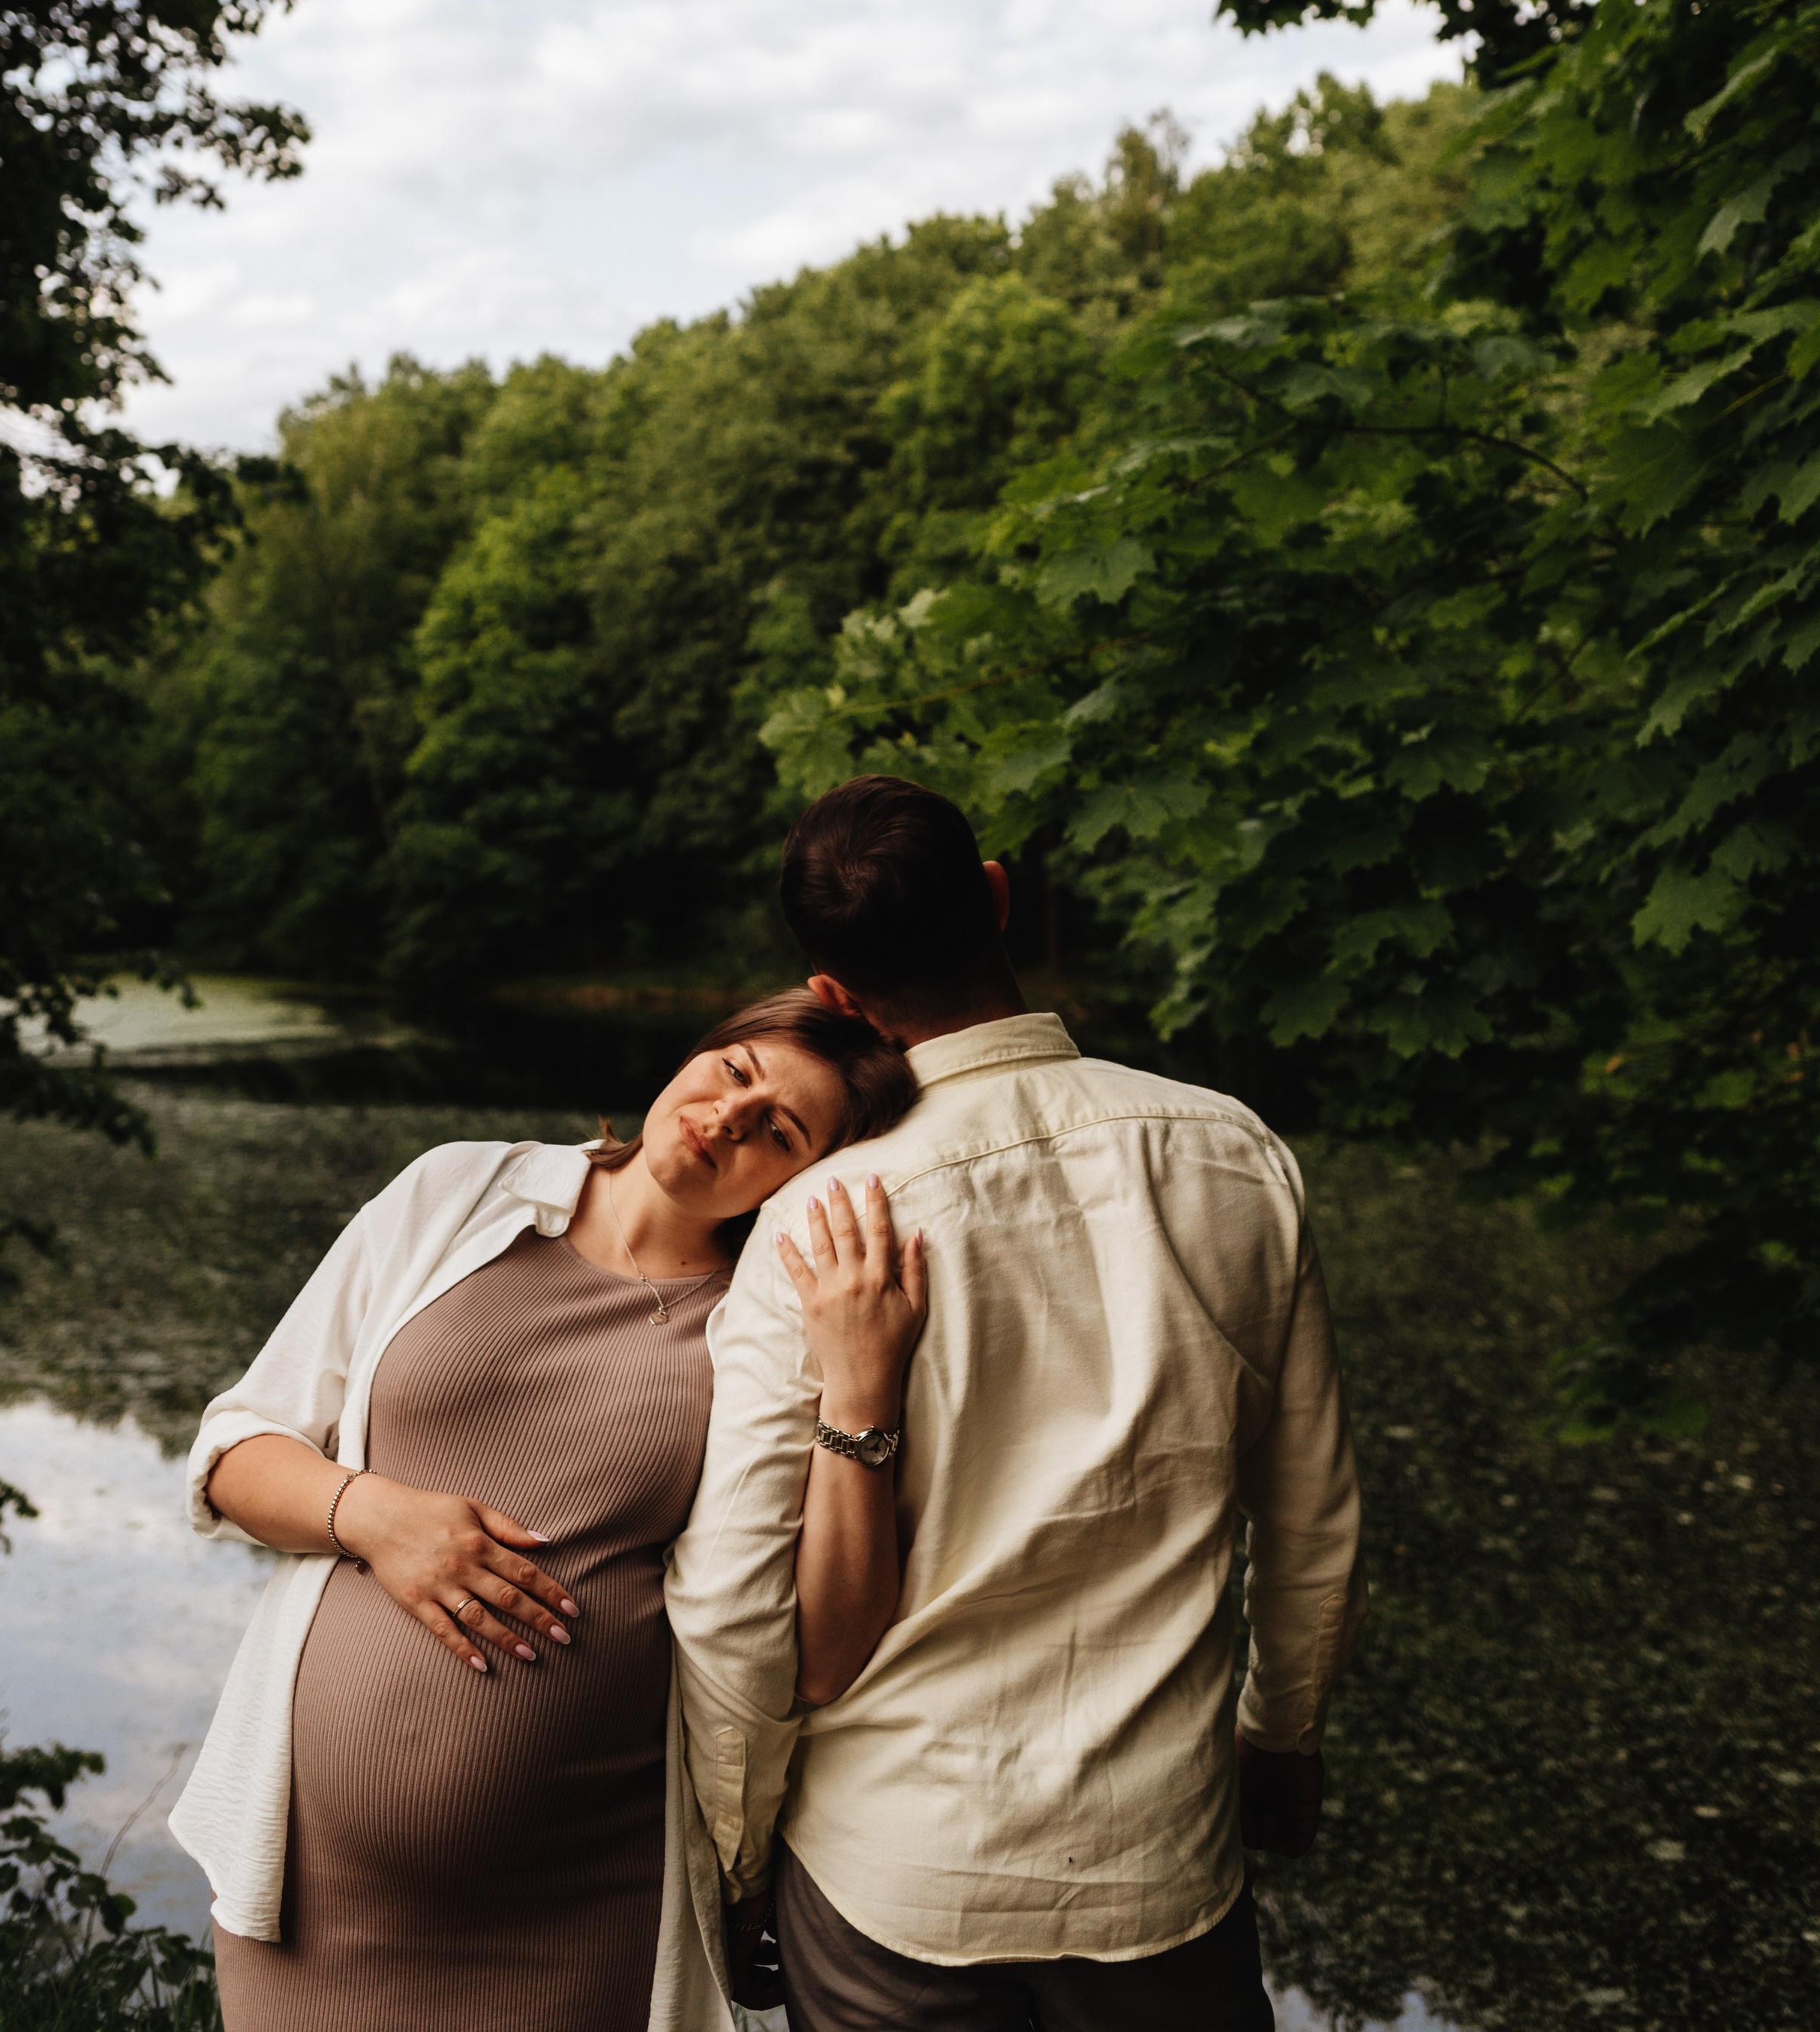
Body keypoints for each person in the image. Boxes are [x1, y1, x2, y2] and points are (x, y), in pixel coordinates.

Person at [665, 776, 1368, 2031]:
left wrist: (740, 1853)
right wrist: (1283, 1733)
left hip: (896, 1879)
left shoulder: (820, 1223)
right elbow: (1311, 1516)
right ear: (997, 898)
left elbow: (731, 1606)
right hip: (1163, 1868)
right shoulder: (1236, 1154)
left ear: (831, 992)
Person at [168, 989, 919, 2032]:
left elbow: (822, 1643)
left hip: (584, 1907)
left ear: (808, 1179)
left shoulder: (769, 1329)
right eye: (737, 1072)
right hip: (309, 1892)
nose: (726, 1118)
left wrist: (862, 1387)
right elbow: (233, 1452)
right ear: (704, 1049)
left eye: (778, 1131)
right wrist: (374, 1515)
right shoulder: (462, 1188)